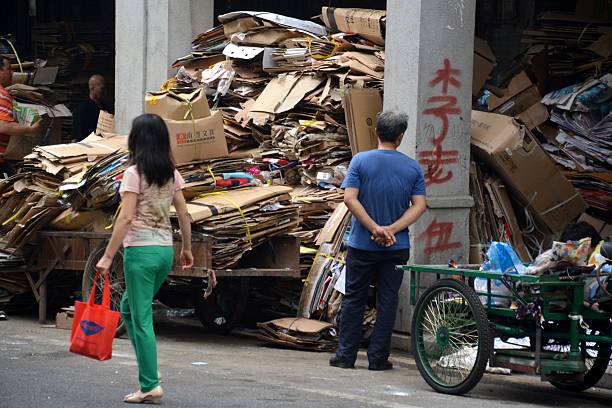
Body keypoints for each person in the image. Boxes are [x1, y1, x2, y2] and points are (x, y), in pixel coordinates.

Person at [96, 114, 196, 404]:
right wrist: (186, 248)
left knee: (140, 319)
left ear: (135, 140)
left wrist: (107, 255)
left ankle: (150, 384)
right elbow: (184, 213)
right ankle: (149, 369)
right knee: (129, 307)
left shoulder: (133, 173)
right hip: (164, 251)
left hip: (139, 252)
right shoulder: (171, 174)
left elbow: (126, 218)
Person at [330, 111, 427, 371]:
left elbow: (350, 198)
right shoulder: (412, 167)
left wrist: (374, 228)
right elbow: (420, 206)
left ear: (377, 133)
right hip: (396, 247)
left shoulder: (360, 161)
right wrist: (391, 230)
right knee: (388, 300)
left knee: (354, 298)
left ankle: (346, 356)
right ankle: (378, 358)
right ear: (401, 136)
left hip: (362, 244)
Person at [0, 55, 42, 176]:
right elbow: (3, 125)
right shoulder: (2, 95)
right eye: (9, 69)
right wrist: (30, 129)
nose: (12, 73)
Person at [72, 74, 112, 141]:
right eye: (102, 88)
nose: (104, 92)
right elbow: (77, 135)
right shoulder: (82, 109)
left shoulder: (105, 108)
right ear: (92, 88)